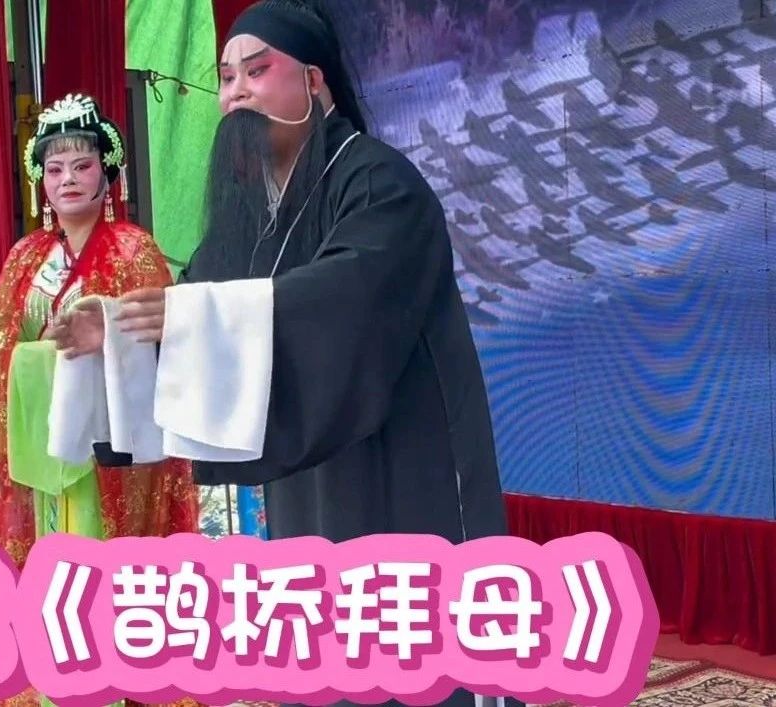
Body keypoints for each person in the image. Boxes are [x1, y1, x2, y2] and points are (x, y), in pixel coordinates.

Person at [51, 3, 517, 705]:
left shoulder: (380, 182)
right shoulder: (253, 212)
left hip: (401, 450)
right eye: (226, 77)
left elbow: (348, 292)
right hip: (308, 463)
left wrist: (194, 316)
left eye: (257, 70)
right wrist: (116, 332)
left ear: (314, 82)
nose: (236, 91)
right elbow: (197, 303)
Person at [0, 92, 199, 566]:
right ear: (41, 181)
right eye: (55, 169)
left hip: (109, 439)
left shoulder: (134, 250)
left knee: (104, 557)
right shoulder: (24, 257)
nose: (68, 179)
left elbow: (164, 343)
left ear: (106, 172)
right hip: (43, 438)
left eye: (82, 166)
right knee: (52, 558)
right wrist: (39, 358)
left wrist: (103, 342)